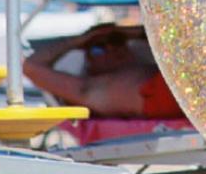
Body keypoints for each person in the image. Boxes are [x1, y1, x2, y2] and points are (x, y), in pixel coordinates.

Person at [22, 23, 182, 119]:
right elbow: (31, 67)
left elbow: (171, 35)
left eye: (116, 41)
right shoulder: (89, 89)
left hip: (181, 86)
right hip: (173, 94)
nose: (111, 48)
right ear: (89, 61)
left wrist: (126, 31)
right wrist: (78, 41)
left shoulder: (149, 63)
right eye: (99, 48)